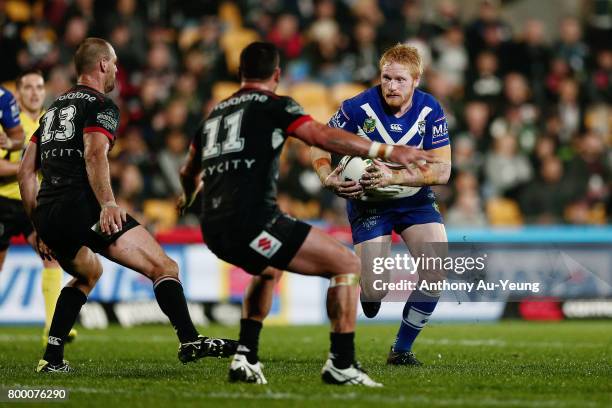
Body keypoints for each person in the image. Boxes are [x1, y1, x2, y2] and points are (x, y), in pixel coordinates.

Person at [178, 41, 437, 386]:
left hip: (212, 226)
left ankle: (245, 358)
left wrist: (186, 197)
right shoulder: (275, 105)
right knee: (347, 266)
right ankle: (341, 364)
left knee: (267, 270)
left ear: (240, 74)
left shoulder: (215, 113)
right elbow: (320, 135)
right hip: (257, 220)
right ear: (277, 75)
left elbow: (187, 172)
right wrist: (385, 149)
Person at [18, 37, 237, 373]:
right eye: (115, 63)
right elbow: (94, 153)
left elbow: (25, 172)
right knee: (164, 267)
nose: (117, 70)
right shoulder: (101, 105)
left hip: (49, 211)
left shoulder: (51, 112)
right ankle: (190, 339)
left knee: (88, 273)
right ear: (103, 64)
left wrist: (39, 226)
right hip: (83, 206)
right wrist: (107, 203)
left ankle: (52, 358)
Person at [310, 44, 452, 366]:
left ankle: (401, 350)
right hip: (369, 202)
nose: (391, 86)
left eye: (400, 80)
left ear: (416, 80)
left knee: (436, 270)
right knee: (376, 291)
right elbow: (316, 142)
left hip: (414, 200)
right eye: (386, 78)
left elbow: (443, 171)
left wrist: (393, 178)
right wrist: (325, 177)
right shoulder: (358, 107)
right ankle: (366, 289)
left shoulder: (431, 110)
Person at [0, 70, 78, 345]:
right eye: (28, 87)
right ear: (18, 93)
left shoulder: (54, 121)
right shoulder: (8, 122)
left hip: (33, 202)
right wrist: (30, 166)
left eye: (39, 87)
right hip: (4, 202)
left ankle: (52, 327)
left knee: (51, 256)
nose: (34, 92)